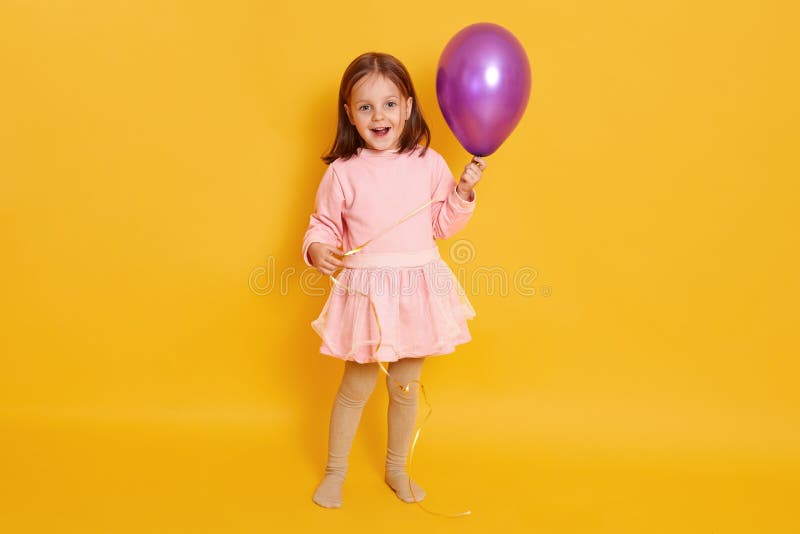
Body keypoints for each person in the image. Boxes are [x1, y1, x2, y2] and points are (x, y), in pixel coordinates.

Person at [301, 52, 486, 509]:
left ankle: (397, 468)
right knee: (355, 388)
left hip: (415, 292)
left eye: (388, 105)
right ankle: (335, 471)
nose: (378, 116)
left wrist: (462, 194)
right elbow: (323, 223)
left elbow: (441, 224)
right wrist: (316, 248)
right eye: (365, 107)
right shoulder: (342, 172)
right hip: (368, 295)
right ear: (349, 114)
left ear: (407, 106)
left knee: (405, 387)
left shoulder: (428, 163)